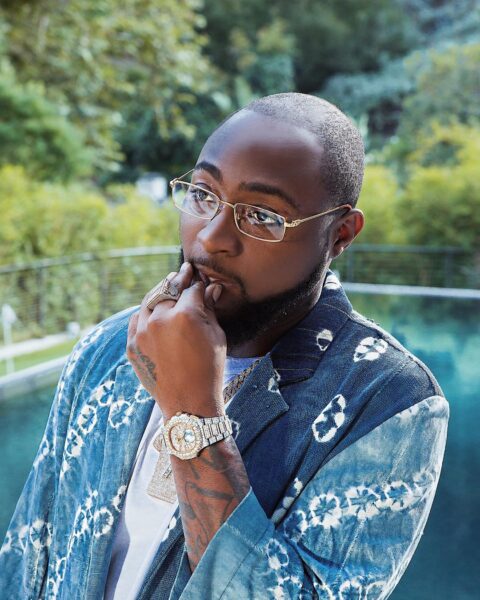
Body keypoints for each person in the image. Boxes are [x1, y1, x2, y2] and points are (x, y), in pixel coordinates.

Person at [0, 93, 448, 599]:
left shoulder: (389, 403)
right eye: (203, 195)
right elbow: (26, 557)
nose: (212, 237)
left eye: (262, 216)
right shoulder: (108, 348)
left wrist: (192, 413)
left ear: (340, 233)